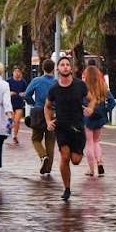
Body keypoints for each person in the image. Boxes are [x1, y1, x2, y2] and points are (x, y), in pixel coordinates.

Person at [45, 57, 91, 202]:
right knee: (64, 156)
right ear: (58, 69)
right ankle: (67, 189)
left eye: (67, 65)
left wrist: (90, 108)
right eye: (62, 65)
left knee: (75, 160)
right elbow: (47, 106)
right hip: (62, 126)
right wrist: (48, 121)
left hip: (77, 126)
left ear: (71, 68)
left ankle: (76, 154)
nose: (65, 67)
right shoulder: (54, 89)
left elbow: (92, 99)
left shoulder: (79, 85)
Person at [23, 59, 58, 176]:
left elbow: (27, 94)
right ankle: (48, 167)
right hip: (53, 112)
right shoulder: (57, 82)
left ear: (42, 68)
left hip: (39, 111)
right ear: (53, 68)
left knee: (36, 139)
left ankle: (43, 156)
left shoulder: (36, 81)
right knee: (50, 141)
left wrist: (33, 103)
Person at [82, 63, 114, 177]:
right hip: (99, 117)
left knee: (89, 142)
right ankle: (99, 160)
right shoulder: (103, 86)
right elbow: (112, 102)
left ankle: (91, 168)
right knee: (96, 141)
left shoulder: (83, 87)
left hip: (87, 117)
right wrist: (105, 110)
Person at [5, 66, 28, 145]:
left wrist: (23, 94)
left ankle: (15, 136)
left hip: (19, 103)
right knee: (11, 120)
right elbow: (4, 91)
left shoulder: (23, 82)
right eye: (15, 71)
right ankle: (8, 131)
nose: (17, 73)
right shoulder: (8, 81)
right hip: (10, 103)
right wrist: (9, 93)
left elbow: (26, 91)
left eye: (18, 71)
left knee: (17, 120)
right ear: (13, 72)